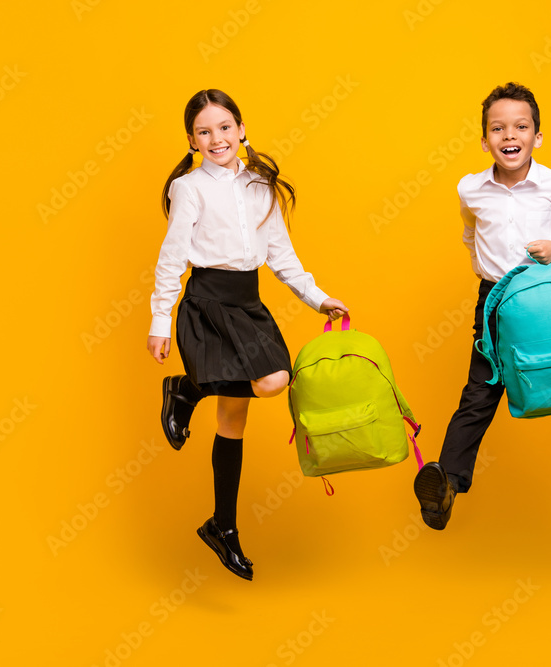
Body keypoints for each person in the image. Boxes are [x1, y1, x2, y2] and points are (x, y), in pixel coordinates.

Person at [146, 89, 347, 580]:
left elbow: (281, 256)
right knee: (232, 416)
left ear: (241, 130)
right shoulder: (189, 188)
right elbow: (173, 257)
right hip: (207, 303)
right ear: (192, 141)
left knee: (273, 380)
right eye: (204, 131)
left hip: (248, 302)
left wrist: (319, 298)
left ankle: (186, 389)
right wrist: (159, 319)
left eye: (224, 127)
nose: (216, 138)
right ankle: (227, 526)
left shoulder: (261, 186)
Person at [413, 82, 551, 531]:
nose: (509, 135)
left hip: (549, 301)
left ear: (537, 136)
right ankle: (446, 485)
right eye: (498, 128)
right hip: (495, 301)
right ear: (484, 140)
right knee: (480, 391)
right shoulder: (471, 188)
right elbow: (470, 233)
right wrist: (484, 272)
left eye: (520, 126)